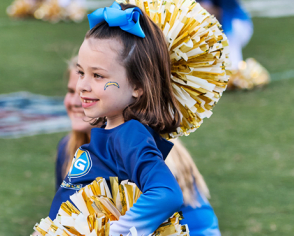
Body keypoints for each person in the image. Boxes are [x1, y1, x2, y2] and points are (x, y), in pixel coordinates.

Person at [49, 3, 185, 235]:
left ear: (138, 86)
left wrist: (118, 231)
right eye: (82, 73)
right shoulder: (109, 130)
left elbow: (166, 192)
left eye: (98, 76)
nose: (82, 86)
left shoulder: (130, 135)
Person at [52, 56, 221, 235]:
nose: (78, 101)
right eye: (72, 91)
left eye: (90, 90)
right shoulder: (68, 148)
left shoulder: (140, 146)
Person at [198, 0, 253, 70]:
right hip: (214, 26)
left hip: (235, 24)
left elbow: (223, 14)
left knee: (231, 66)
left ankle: (235, 69)